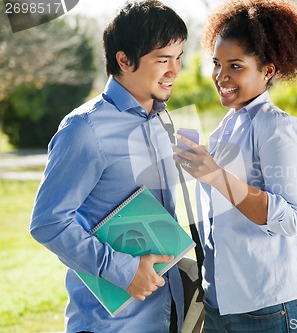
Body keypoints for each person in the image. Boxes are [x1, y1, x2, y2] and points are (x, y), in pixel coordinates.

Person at [30, 1, 188, 332]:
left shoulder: (162, 121)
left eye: (179, 58)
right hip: (109, 324)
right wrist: (123, 269)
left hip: (166, 312)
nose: (175, 70)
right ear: (124, 60)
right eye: (163, 60)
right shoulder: (85, 129)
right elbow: (48, 223)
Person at [173, 0, 297, 331]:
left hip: (276, 307)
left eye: (236, 66)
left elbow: (292, 219)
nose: (221, 76)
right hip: (223, 305)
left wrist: (215, 175)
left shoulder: (277, 127)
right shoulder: (226, 126)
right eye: (216, 63)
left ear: (268, 70)